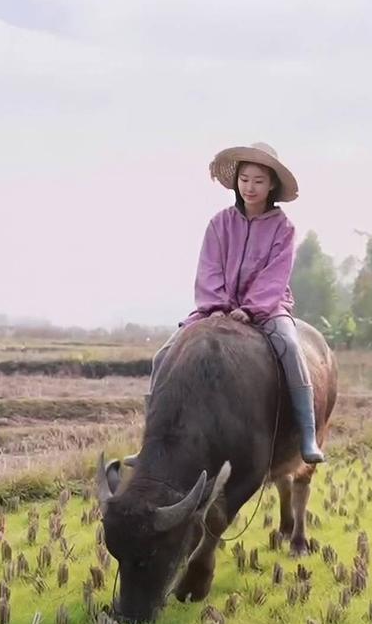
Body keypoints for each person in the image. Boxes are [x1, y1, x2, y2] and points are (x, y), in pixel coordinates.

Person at [132, 141, 324, 464]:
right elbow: (209, 268)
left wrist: (250, 309)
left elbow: (275, 276)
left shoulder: (283, 228)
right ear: (236, 181)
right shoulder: (219, 224)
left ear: (272, 185)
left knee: (291, 348)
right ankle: (151, 445)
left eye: (259, 180)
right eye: (245, 179)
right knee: (163, 356)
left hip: (267, 309)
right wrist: (218, 306)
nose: (250, 187)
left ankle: (307, 435)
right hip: (215, 308)